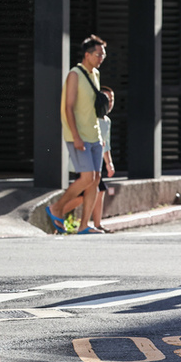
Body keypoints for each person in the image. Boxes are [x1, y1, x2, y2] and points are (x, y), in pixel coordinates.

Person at [46, 35, 107, 235]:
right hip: (78, 136)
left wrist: (100, 136)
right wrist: (76, 135)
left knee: (96, 179)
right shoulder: (75, 74)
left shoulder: (95, 74)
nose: (102, 57)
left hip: (95, 134)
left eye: (103, 54)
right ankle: (57, 208)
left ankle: (84, 226)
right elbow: (68, 107)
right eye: (98, 54)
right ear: (87, 54)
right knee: (87, 177)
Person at [61, 86, 115, 232]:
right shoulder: (90, 119)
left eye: (111, 100)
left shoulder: (106, 121)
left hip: (95, 164)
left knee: (99, 190)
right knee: (84, 195)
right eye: (105, 99)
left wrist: (109, 163)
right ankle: (58, 212)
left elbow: (106, 144)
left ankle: (96, 224)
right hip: (84, 164)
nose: (108, 103)